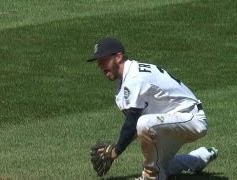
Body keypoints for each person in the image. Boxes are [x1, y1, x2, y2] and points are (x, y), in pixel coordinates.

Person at [87, 37, 218, 180]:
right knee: (161, 168)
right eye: (98, 62)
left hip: (191, 118)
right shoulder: (123, 83)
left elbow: (133, 123)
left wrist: (115, 151)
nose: (100, 65)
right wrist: (115, 148)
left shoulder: (135, 77)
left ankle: (149, 177)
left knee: (145, 124)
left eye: (104, 60)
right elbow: (133, 126)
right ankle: (198, 157)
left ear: (118, 57)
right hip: (170, 121)